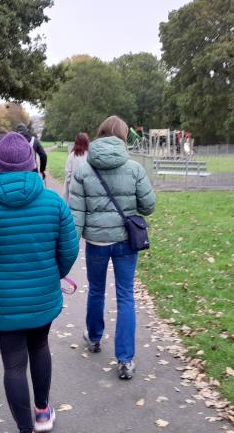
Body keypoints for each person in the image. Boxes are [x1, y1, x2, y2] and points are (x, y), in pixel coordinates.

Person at [0, 132, 79, 433]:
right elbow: (70, 249)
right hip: (42, 298)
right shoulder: (53, 203)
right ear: (32, 162)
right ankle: (42, 412)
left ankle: (26, 427)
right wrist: (54, 274)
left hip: (3, 304)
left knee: (13, 365)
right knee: (39, 347)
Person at [68, 116, 156, 380]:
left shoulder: (84, 170)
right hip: (125, 242)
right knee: (126, 295)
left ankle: (94, 337)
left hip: (96, 242)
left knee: (96, 290)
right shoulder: (134, 168)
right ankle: (126, 359)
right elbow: (148, 206)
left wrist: (69, 247)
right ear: (124, 137)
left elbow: (76, 215)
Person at [63, 132, 89, 200]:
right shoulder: (90, 155)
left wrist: (70, 184)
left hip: (74, 189)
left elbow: (67, 172)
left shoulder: (71, 156)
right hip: (87, 188)